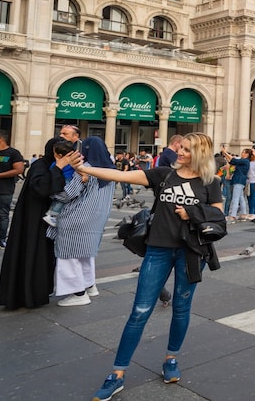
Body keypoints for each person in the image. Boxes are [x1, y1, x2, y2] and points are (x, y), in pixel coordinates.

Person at [78, 133, 224, 400]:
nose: (180, 152)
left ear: (200, 154)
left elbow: (218, 215)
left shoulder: (210, 182)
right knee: (140, 311)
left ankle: (171, 358)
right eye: (181, 147)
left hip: (191, 252)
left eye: (187, 150)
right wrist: (82, 168)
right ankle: (117, 374)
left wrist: (190, 213)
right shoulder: (163, 175)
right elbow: (120, 176)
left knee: (181, 308)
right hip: (158, 250)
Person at [0, 138, 72, 309]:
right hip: (32, 217)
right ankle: (28, 294)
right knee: (31, 251)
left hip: (42, 216)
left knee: (42, 253)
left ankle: (38, 291)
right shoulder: (40, 166)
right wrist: (59, 168)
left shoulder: (48, 165)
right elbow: (42, 188)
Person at [47, 136, 116, 306]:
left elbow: (68, 194)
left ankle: (78, 294)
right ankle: (89, 285)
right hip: (96, 220)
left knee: (68, 256)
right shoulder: (111, 171)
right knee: (86, 254)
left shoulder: (85, 169)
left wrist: (50, 193)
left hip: (75, 217)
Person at [224, 148, 251, 222]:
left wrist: (226, 153)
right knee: (241, 198)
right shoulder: (245, 161)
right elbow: (232, 162)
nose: (241, 153)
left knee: (235, 199)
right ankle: (243, 213)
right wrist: (226, 155)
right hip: (241, 181)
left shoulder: (245, 161)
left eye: (243, 152)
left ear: (247, 154)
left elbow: (234, 160)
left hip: (238, 180)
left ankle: (233, 215)